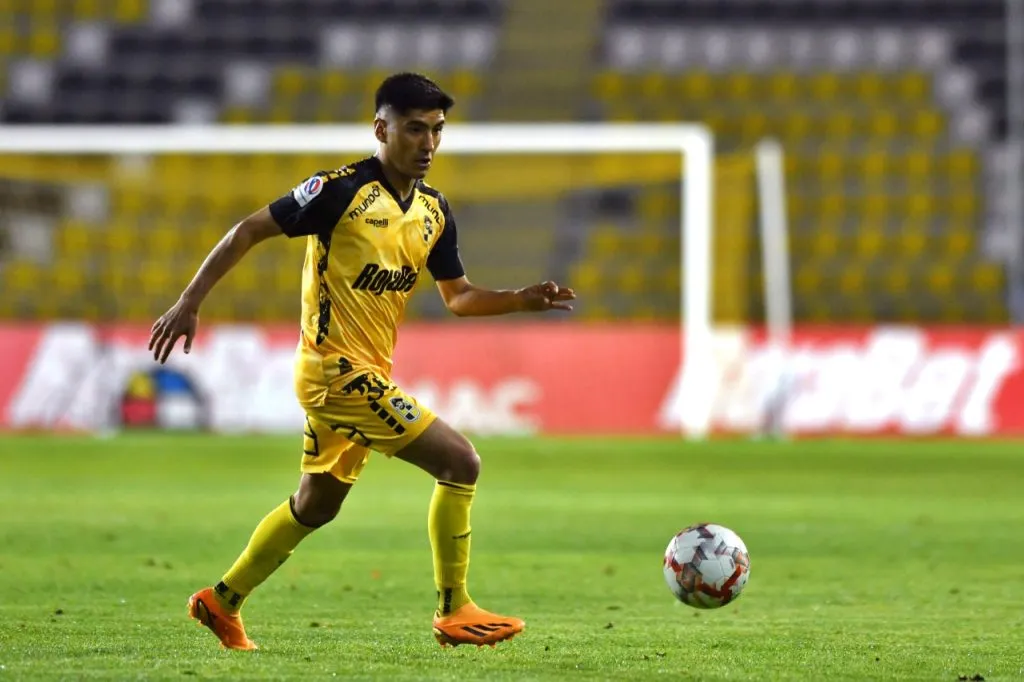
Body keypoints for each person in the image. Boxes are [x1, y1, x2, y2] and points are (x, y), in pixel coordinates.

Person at [148, 72, 576, 651]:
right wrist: (189, 301)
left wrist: (519, 300)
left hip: (367, 374)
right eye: (415, 129)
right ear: (382, 128)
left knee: (316, 504)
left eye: (438, 131)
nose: (428, 144)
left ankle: (221, 601)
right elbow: (249, 229)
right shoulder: (339, 191)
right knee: (461, 461)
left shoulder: (433, 210)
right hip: (333, 372)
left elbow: (458, 297)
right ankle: (455, 608)